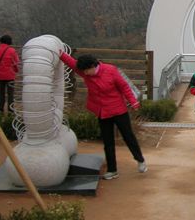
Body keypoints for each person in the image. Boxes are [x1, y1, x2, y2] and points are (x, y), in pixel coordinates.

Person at [59, 50, 147, 180]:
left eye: (86, 71)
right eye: (83, 71)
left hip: (118, 109)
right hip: (102, 111)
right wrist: (60, 53)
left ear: (92, 66)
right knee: (107, 141)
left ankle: (140, 160)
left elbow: (124, 87)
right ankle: (112, 170)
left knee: (128, 136)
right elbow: (72, 63)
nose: (84, 74)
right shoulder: (84, 71)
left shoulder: (110, 71)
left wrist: (133, 102)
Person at [0, 35, 19, 114]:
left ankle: (0, 109)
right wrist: (16, 71)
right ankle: (10, 110)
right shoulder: (12, 51)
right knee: (10, 93)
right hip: (10, 75)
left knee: (0, 93)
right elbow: (16, 63)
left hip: (0, 75)